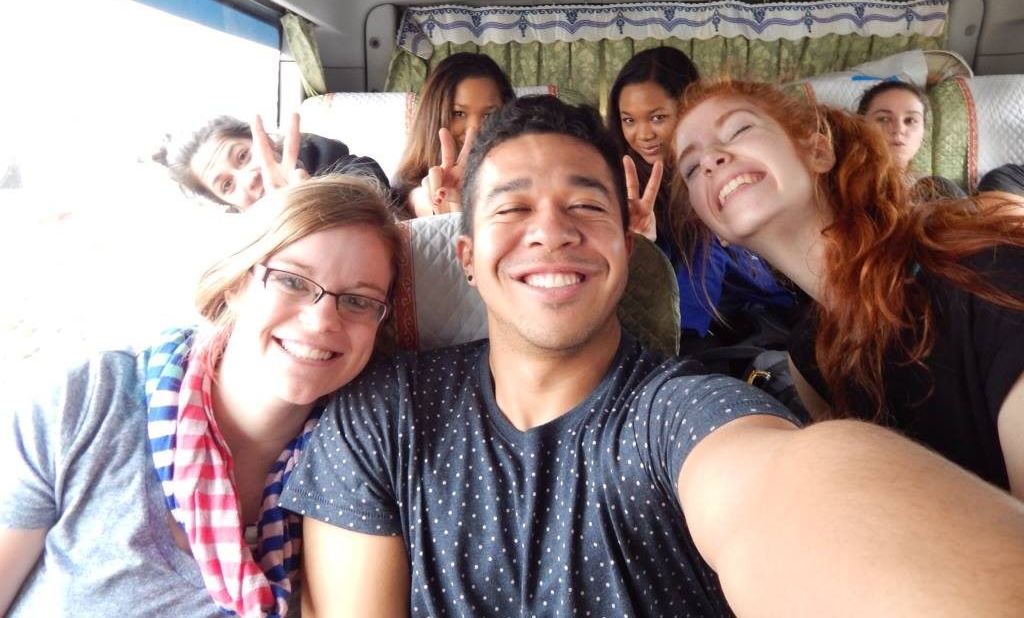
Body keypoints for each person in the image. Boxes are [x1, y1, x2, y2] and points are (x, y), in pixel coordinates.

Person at [281, 95, 1024, 618]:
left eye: (587, 206)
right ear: (467, 259)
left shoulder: (685, 411)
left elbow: (787, 486)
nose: (552, 231)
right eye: (512, 207)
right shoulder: (382, 415)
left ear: (628, 250)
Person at [0, 174, 401, 616]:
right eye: (292, 281)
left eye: (359, 301)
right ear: (236, 284)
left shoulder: (369, 465)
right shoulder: (90, 402)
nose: (323, 319)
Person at [672, 78, 1024, 497]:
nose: (711, 159)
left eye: (739, 130)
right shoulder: (811, 359)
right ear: (716, 229)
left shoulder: (985, 272)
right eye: (692, 168)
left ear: (817, 151)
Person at [607, 47, 791, 342]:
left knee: (706, 243)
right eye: (629, 120)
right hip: (680, 301)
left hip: (754, 295)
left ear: (687, 109)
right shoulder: (625, 180)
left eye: (657, 118)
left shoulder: (719, 164)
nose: (643, 135)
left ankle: (684, 341)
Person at [157, 113, 390, 211]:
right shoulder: (248, 243)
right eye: (227, 186)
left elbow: (369, 182)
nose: (249, 179)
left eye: (242, 156)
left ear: (266, 140)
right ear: (231, 206)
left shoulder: (327, 158)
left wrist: (308, 200)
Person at [392, 51, 515, 218]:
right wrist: (435, 203)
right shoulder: (412, 193)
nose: (474, 129)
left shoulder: (522, 178)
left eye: (488, 115)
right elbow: (418, 198)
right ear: (433, 118)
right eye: (458, 114)